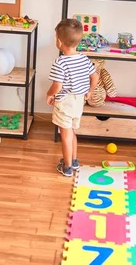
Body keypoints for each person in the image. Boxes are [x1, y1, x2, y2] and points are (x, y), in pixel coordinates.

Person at [47, 19, 99, 177]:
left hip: (65, 102)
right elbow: (95, 76)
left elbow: (57, 85)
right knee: (72, 131)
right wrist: (89, 91)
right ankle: (74, 161)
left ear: (58, 42)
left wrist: (49, 94)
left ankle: (67, 166)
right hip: (79, 102)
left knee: (65, 134)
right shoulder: (84, 58)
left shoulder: (61, 62)